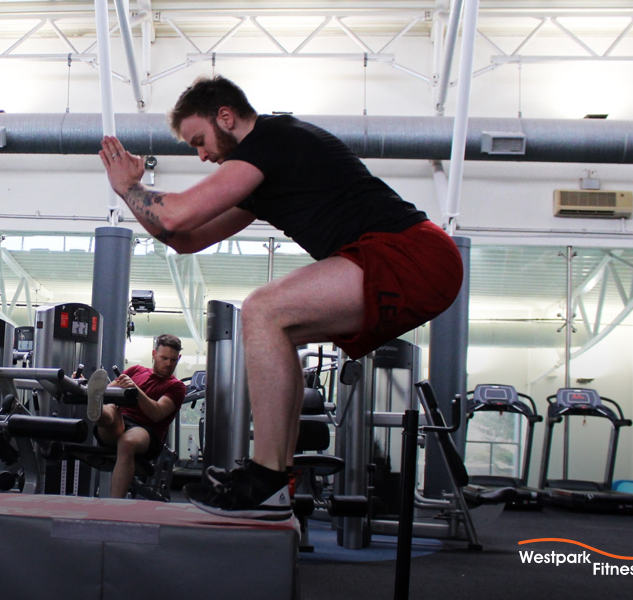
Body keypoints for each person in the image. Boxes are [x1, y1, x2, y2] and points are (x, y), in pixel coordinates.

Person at [99, 76, 463, 520]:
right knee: (276, 326)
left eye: (201, 140)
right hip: (392, 257)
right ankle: (277, 481)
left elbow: (177, 212)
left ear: (226, 117)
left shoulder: (273, 139)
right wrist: (135, 196)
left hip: (414, 252)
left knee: (263, 310)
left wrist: (127, 188)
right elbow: (185, 238)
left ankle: (266, 476)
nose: (203, 155)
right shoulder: (261, 179)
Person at [87, 334, 186, 498]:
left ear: (179, 358)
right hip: (118, 423)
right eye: (164, 358)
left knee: (127, 441)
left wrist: (135, 390)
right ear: (154, 354)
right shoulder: (136, 371)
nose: (169, 364)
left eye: (173, 360)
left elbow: (157, 413)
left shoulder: (176, 387)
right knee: (110, 406)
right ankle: (96, 412)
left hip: (147, 432)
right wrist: (86, 387)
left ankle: (114, 506)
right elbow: (105, 392)